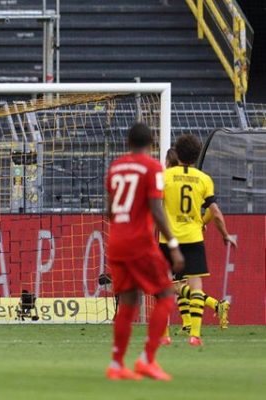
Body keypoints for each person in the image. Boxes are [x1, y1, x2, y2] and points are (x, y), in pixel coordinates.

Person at [104, 123, 184, 381]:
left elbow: (109, 210)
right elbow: (156, 209)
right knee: (165, 294)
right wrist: (173, 245)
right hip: (139, 243)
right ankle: (147, 359)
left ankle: (116, 365)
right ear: (151, 143)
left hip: (116, 242)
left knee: (128, 303)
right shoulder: (152, 168)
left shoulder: (115, 167)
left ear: (128, 142)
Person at [159, 135, 236, 346]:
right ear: (197, 155)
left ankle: (163, 335)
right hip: (193, 238)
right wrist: (225, 235)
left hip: (168, 239)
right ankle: (194, 335)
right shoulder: (204, 179)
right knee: (195, 286)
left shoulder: (165, 177)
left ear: (177, 153)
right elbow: (216, 213)